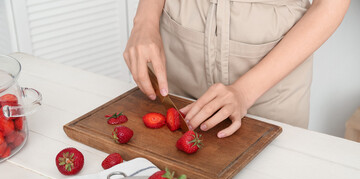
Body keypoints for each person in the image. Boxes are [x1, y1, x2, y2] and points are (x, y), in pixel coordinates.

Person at [123, 0, 350, 138]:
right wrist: (145, 22)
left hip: (271, 91)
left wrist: (244, 92)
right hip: (178, 66)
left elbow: (331, 4)